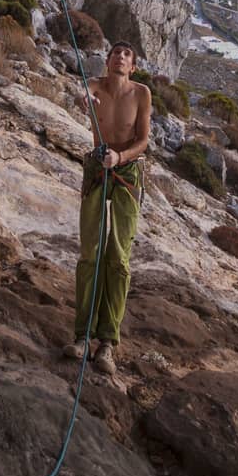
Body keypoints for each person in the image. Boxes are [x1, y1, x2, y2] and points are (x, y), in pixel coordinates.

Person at [65, 40, 151, 373]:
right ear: (108, 61)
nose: (120, 58)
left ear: (133, 66)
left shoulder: (141, 93)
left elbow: (143, 139)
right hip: (98, 169)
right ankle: (82, 336)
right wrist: (82, 98)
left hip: (128, 171)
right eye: (116, 53)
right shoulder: (96, 86)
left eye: (127, 56)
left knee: (119, 258)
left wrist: (121, 156)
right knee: (91, 253)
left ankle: (107, 343)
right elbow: (82, 93)